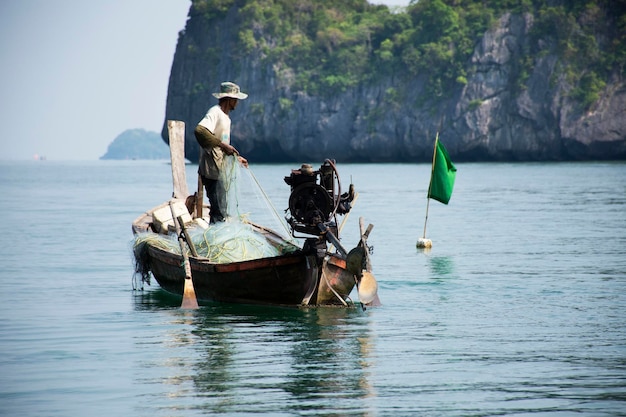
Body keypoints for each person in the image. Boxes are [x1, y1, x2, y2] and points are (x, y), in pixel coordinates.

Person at [194, 81, 249, 223]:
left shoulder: (226, 117)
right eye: (235, 99)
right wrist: (224, 146)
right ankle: (214, 240)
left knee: (221, 209)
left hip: (221, 169)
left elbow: (223, 145)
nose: (237, 102)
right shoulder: (215, 112)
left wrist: (237, 157)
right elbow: (200, 131)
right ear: (229, 99)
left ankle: (217, 234)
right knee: (218, 209)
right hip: (211, 169)